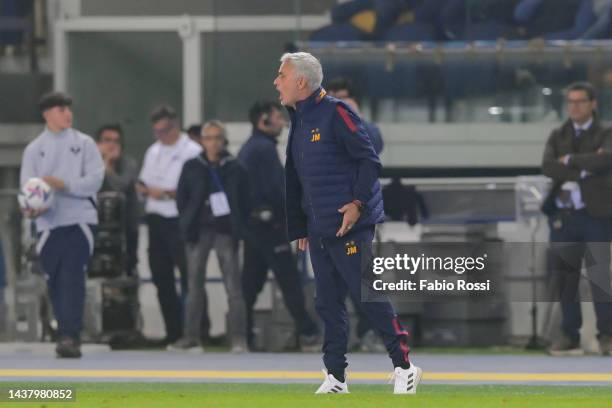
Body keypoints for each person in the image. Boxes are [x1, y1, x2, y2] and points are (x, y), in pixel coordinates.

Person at [274, 52, 422, 394]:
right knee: (326, 301)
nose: (276, 81)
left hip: (348, 224)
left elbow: (369, 161)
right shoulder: (299, 119)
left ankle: (405, 367)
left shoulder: (337, 112)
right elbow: (295, 178)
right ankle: (336, 376)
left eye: (281, 75)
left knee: (367, 295)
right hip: (318, 227)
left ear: (300, 82)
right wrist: (300, 228)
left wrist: (357, 205)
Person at [19, 92, 104, 358]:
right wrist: (32, 210)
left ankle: (70, 336)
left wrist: (64, 184)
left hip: (79, 219)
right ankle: (64, 332)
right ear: (46, 114)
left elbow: (95, 180)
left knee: (73, 276)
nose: (67, 113)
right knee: (54, 279)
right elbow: (28, 189)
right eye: (60, 109)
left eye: (68, 108)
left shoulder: (85, 143)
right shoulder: (34, 149)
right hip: (48, 224)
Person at [238, 100, 320, 352]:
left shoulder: (250, 148)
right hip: (270, 227)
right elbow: (277, 190)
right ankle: (308, 333)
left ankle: (243, 335)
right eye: (277, 117)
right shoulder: (263, 149)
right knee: (289, 280)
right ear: (263, 121)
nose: (283, 122)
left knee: (250, 284)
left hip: (254, 227)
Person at [541, 81, 612, 356]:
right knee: (565, 278)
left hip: (596, 215)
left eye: (580, 101)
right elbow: (548, 166)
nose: (574, 106)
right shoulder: (558, 133)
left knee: (599, 277)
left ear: (593, 104)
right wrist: (583, 169)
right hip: (564, 216)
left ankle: (607, 335)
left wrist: (569, 160)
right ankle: (569, 333)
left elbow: (606, 160)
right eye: (570, 102)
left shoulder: (606, 132)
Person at [171, 120, 249, 353]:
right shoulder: (192, 166)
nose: (213, 143)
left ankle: (238, 338)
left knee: (234, 287)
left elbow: (246, 198)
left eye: (217, 138)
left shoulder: (235, 167)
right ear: (202, 141)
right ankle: (191, 336)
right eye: (209, 138)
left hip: (226, 231)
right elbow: (181, 198)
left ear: (223, 141)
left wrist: (238, 225)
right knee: (193, 286)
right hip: (198, 230)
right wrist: (187, 221)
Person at [137, 105, 201, 345]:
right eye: (156, 132)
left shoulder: (192, 151)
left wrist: (163, 193)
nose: (159, 137)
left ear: (174, 127)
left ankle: (195, 330)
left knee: (189, 277)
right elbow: (143, 184)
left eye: (163, 131)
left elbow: (189, 191)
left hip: (180, 220)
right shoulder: (153, 151)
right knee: (161, 278)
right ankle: (173, 331)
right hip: (156, 220)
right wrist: (153, 192)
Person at [95, 124, 140, 275]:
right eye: (107, 140)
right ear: (98, 144)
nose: (111, 145)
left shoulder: (129, 164)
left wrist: (106, 166)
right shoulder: (88, 165)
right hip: (96, 226)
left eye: (116, 141)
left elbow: (120, 187)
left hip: (125, 228)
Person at [327, 77, 384, 155]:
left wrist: (357, 118)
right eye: (333, 99)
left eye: (342, 99)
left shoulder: (369, 128)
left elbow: (374, 149)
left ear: (352, 101)